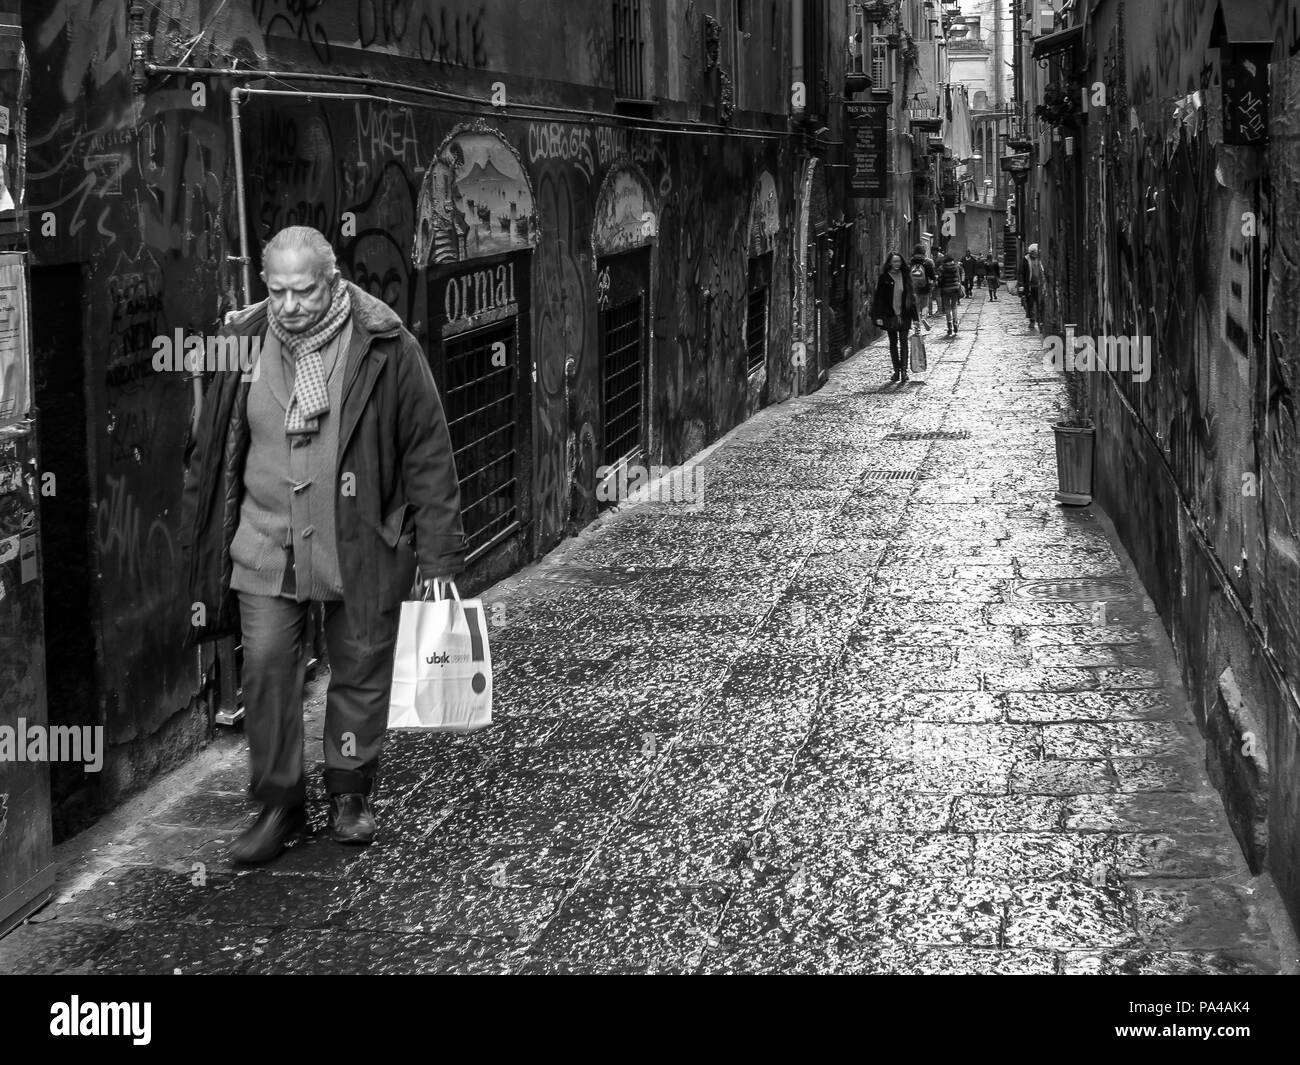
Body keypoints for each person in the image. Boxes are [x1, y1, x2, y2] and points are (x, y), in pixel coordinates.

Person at [180, 225, 467, 865]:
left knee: (360, 668)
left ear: (332, 282)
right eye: (276, 291)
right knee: (267, 671)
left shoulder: (385, 343)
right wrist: (202, 536)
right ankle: (279, 803)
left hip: (359, 540)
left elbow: (427, 449)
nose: (288, 306)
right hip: (263, 542)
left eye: (303, 292)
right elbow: (213, 449)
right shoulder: (241, 343)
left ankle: (349, 790)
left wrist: (440, 556)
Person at [871, 251, 921, 384]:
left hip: (904, 315)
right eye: (894, 261)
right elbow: (879, 299)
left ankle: (904, 371)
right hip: (890, 315)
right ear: (889, 263)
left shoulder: (906, 276)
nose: (897, 264)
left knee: (904, 342)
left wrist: (916, 318)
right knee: (893, 343)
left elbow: (912, 298)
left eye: (898, 261)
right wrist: (878, 316)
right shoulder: (884, 278)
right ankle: (896, 371)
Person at [1018, 242, 1044, 329]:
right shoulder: (1025, 260)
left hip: (1039, 286)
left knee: (1040, 304)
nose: (1036, 253)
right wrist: (1022, 286)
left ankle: (1040, 321)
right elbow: (1021, 273)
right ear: (1031, 252)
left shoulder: (1040, 259)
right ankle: (1032, 320)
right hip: (1029, 286)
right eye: (1034, 252)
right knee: (1031, 304)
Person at [936, 251, 963, 335]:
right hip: (955, 289)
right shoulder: (956, 266)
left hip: (945, 290)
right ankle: (955, 322)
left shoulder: (941, 268)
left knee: (947, 308)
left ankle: (949, 325)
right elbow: (958, 278)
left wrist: (939, 285)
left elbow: (940, 280)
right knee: (954, 306)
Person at [908, 243, 937, 318]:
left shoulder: (911, 262)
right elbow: (932, 275)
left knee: (916, 305)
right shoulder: (927, 263)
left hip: (914, 287)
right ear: (924, 252)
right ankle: (924, 317)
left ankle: (917, 321)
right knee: (925, 304)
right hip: (925, 286)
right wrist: (934, 281)